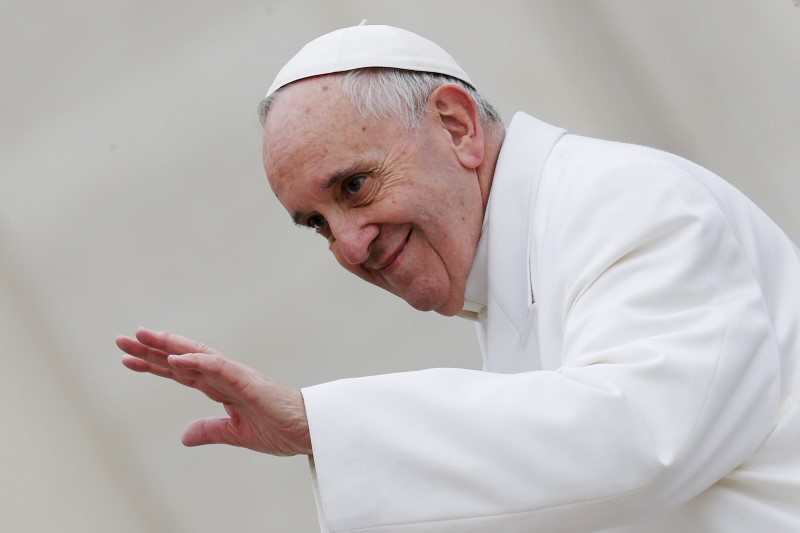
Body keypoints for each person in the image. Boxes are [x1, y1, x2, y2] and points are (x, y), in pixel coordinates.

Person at [116, 23, 800, 532]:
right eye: (317, 224)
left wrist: (323, 424)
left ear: (456, 125)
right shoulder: (518, 259)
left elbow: (642, 442)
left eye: (354, 185)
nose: (349, 246)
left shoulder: (626, 202)